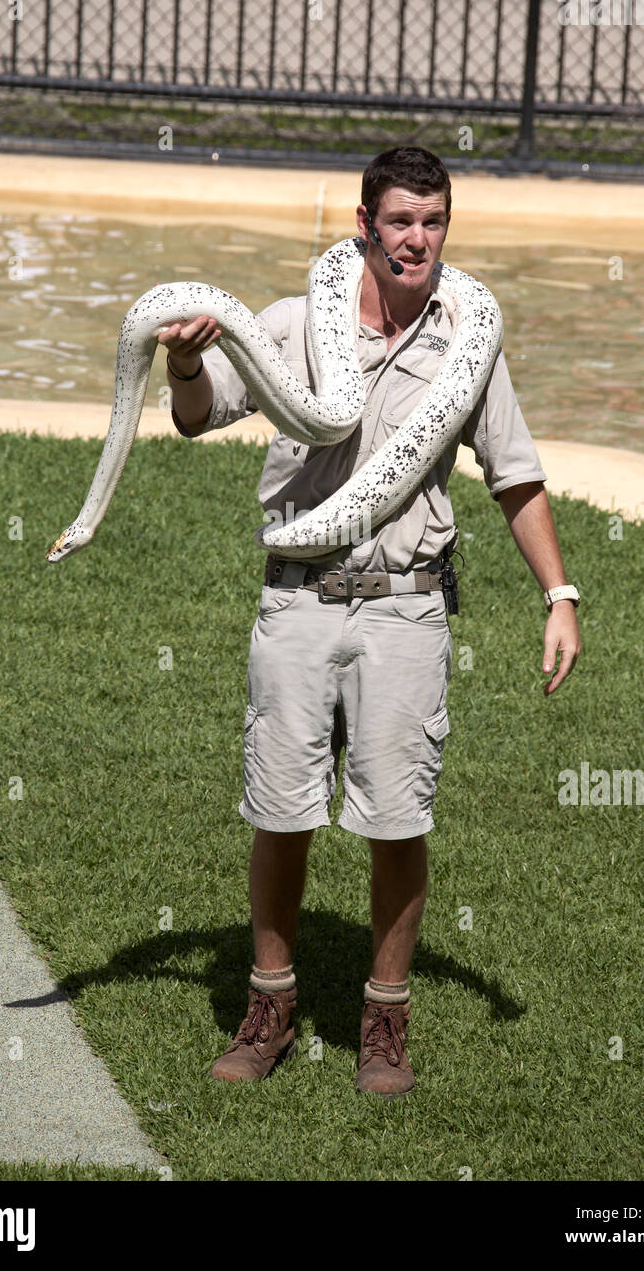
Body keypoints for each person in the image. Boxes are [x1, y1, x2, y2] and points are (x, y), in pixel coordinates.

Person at [156, 146, 581, 1098]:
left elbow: (515, 473)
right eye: (400, 221)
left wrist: (560, 594)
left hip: (406, 608)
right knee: (281, 809)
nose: (417, 239)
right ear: (364, 225)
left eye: (432, 222)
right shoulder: (294, 324)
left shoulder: (467, 335)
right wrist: (185, 360)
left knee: (397, 817)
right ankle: (269, 1005)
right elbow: (199, 414)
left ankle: (384, 1020)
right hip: (298, 597)